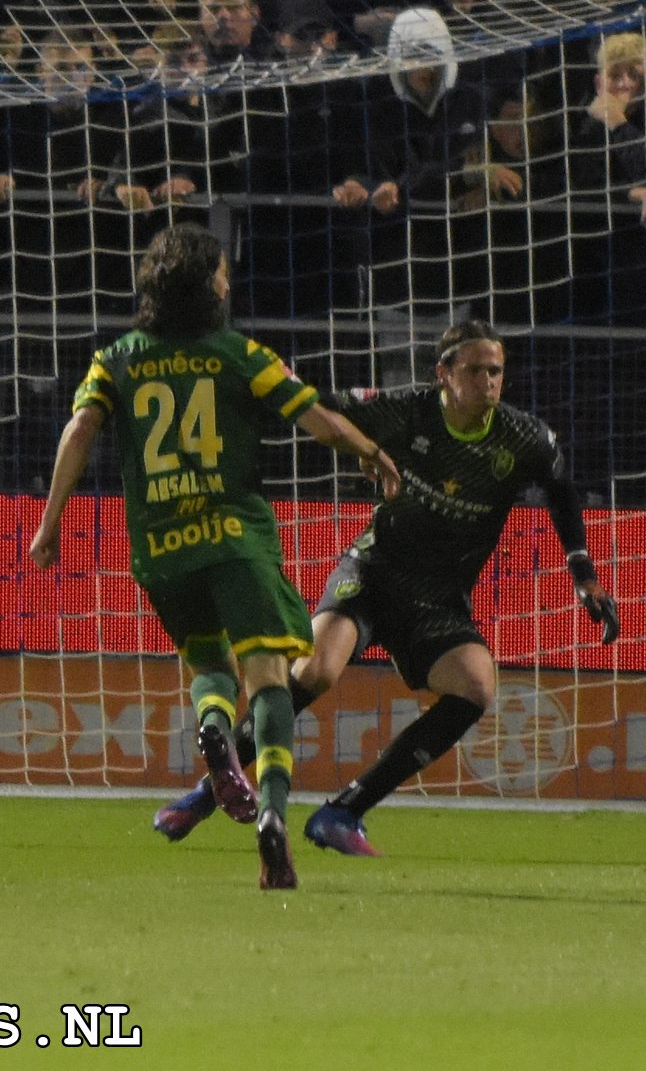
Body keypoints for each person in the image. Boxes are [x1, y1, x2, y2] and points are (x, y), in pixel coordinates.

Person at [149, 319, 620, 857]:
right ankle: (208, 792)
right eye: (474, 370)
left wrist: (584, 574)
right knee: (316, 670)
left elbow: (562, 490)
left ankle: (344, 811)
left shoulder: (523, 438)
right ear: (443, 373)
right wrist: (270, 383)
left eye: (496, 371)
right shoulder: (406, 410)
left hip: (437, 596)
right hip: (373, 572)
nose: (488, 381)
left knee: (476, 686)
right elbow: (324, 407)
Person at [27, 223, 401, 889]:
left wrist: (50, 523)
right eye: (223, 273)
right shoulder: (239, 353)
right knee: (267, 677)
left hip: (159, 546)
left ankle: (212, 730)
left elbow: (80, 428)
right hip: (233, 539)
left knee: (206, 662)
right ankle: (274, 813)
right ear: (206, 284)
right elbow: (316, 418)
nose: (229, 282)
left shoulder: (115, 358)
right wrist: (368, 453)